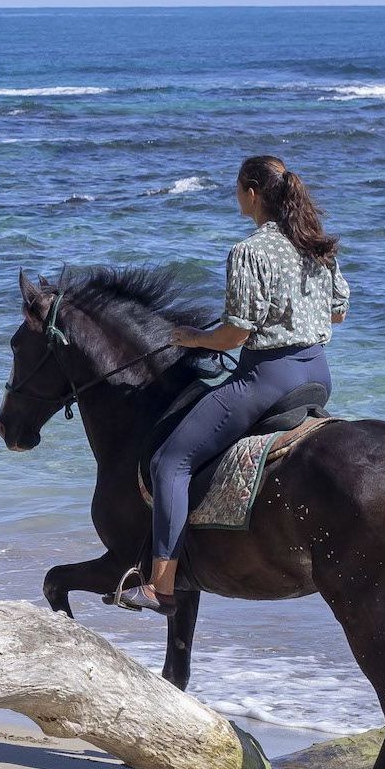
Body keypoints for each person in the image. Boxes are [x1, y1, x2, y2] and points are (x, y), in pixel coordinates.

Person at [121, 155, 348, 613]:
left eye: (236, 189)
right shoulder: (317, 246)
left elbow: (236, 336)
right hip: (317, 374)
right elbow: (338, 312)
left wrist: (194, 338)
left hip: (268, 376)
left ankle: (160, 586)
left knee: (170, 461)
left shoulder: (249, 251)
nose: (235, 196)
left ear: (251, 192)